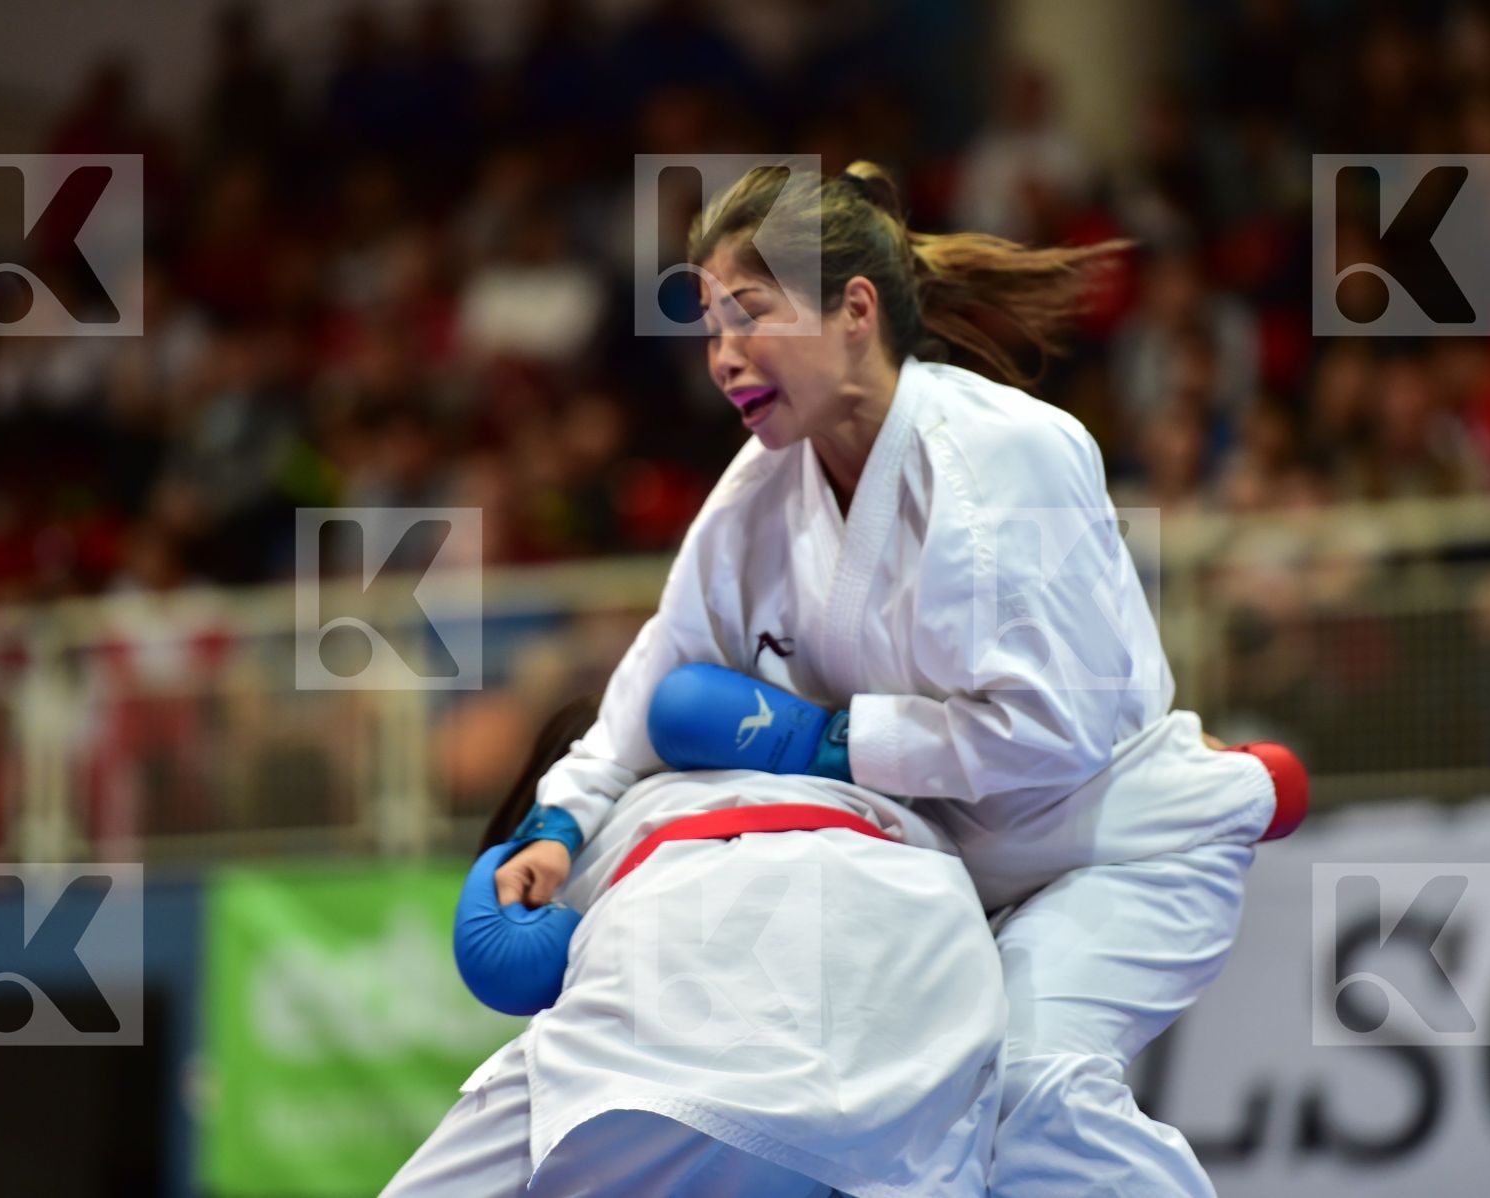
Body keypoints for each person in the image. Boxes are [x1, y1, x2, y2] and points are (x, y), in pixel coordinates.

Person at [494, 162, 1282, 1197]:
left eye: (750, 314)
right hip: (939, 883)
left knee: (1032, 1091)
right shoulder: (757, 494)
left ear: (855, 310)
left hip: (1119, 847)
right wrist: (558, 823)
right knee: (901, 1148)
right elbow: (659, 680)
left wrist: (828, 741)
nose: (723, 358)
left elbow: (1058, 731)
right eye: (707, 328)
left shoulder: (1013, 456)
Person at [379, 695, 1008, 1196]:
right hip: (930, 961)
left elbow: (519, 966)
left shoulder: (577, 839)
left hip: (695, 965)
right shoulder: (822, 771)